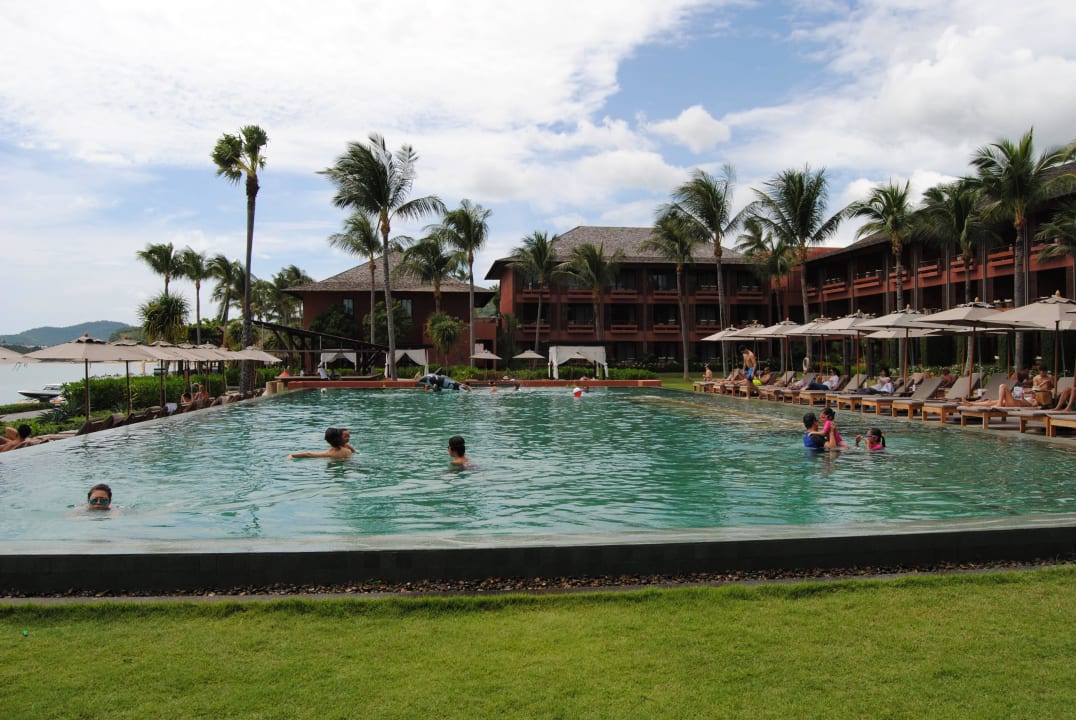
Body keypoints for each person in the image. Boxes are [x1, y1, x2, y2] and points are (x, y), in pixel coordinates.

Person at [287, 427, 355, 459]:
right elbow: (354, 452)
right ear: (340, 439)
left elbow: (308, 454)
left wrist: (292, 455)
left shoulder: (329, 454)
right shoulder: (348, 450)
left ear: (327, 441)